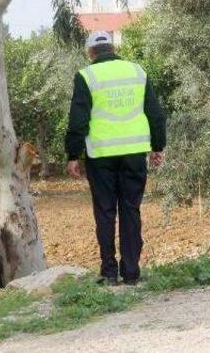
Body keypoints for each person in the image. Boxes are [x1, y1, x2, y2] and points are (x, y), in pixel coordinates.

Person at [65, 31, 167, 285]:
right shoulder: (137, 72)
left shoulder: (86, 76)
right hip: (134, 153)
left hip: (100, 155)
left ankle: (109, 272)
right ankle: (131, 272)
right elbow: (156, 113)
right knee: (131, 210)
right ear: (112, 48)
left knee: (105, 212)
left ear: (90, 53)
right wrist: (158, 146)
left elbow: (78, 120)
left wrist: (73, 154)